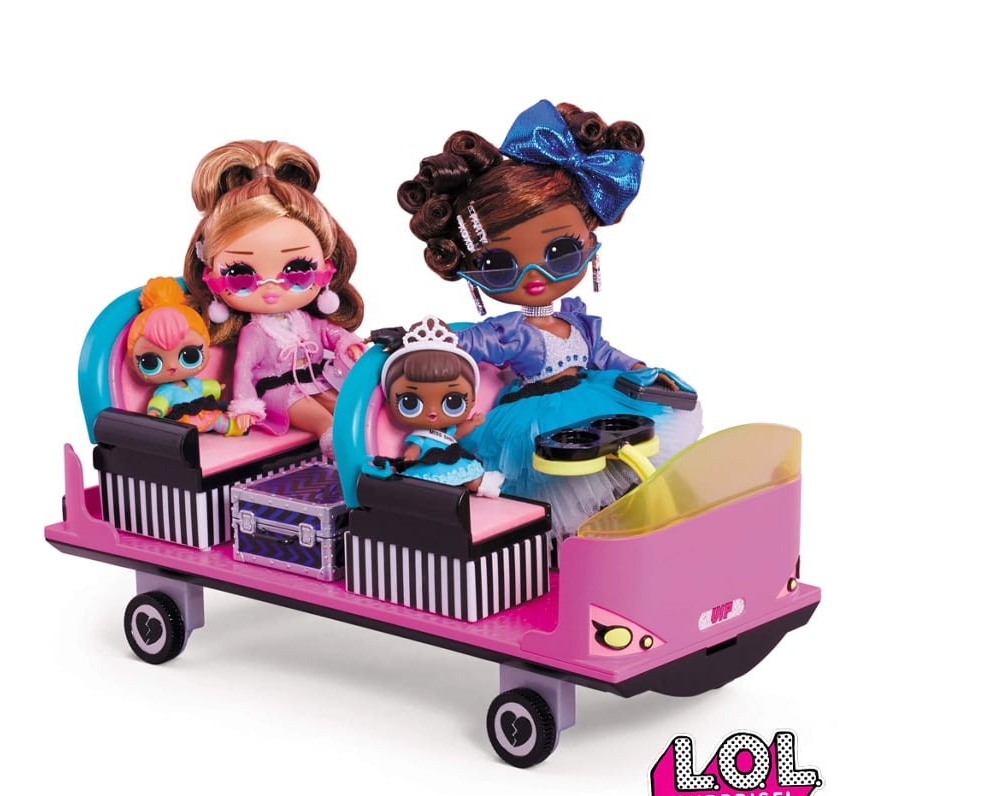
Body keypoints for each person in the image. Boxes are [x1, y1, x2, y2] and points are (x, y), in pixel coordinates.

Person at [397, 99, 702, 539]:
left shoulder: (578, 322)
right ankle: (575, 543)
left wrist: (639, 369)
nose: (534, 276)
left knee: (629, 454)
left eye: (560, 252)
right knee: (563, 481)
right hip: (537, 418)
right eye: (498, 265)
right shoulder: (511, 331)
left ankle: (632, 525)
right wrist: (421, 340)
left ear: (589, 240)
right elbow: (466, 344)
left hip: (593, 396)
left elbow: (604, 354)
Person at [184, 140, 365, 455]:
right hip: (279, 392)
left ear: (326, 267)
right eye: (241, 275)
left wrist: (348, 344)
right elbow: (242, 371)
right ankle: (340, 457)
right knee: (325, 422)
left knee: (351, 410)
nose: (271, 288)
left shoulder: (304, 320)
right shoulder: (255, 332)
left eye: (297, 271)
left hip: (316, 381)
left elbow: (330, 333)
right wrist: (245, 406)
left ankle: (365, 458)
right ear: (210, 276)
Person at [372, 317, 504, 497]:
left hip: (454, 461)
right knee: (432, 488)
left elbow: (458, 432)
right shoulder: (420, 436)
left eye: (453, 402)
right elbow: (415, 448)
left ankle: (483, 485)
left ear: (472, 399)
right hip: (431, 466)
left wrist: (473, 423)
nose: (433, 412)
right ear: (389, 402)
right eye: (410, 402)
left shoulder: (447, 431)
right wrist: (410, 455)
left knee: (470, 477)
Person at [126, 277, 242, 435]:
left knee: (217, 419)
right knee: (182, 431)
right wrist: (155, 411)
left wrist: (217, 387)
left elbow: (204, 386)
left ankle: (234, 427)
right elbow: (160, 401)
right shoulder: (166, 390)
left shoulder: (193, 383)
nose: (172, 366)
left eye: (190, 356)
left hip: (206, 413)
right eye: (151, 362)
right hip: (184, 421)